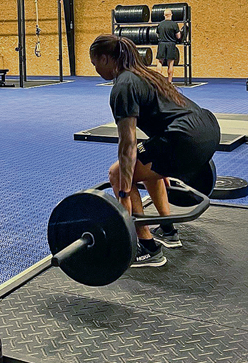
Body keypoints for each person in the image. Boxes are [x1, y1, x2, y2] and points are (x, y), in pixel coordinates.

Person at [89, 34, 220, 268]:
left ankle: (147, 247)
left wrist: (123, 193)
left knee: (117, 173)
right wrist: (162, 167)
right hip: (208, 133)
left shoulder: (123, 86)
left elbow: (127, 145)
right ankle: (168, 230)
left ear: (106, 59)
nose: (96, 69)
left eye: (95, 63)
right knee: (147, 160)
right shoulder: (147, 74)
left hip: (184, 140)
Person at [155, 9, 183, 83]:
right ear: (171, 15)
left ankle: (159, 82)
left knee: (159, 62)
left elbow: (157, 35)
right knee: (170, 63)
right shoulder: (174, 24)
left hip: (161, 44)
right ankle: (169, 82)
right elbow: (178, 36)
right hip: (171, 44)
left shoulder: (160, 24)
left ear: (164, 15)